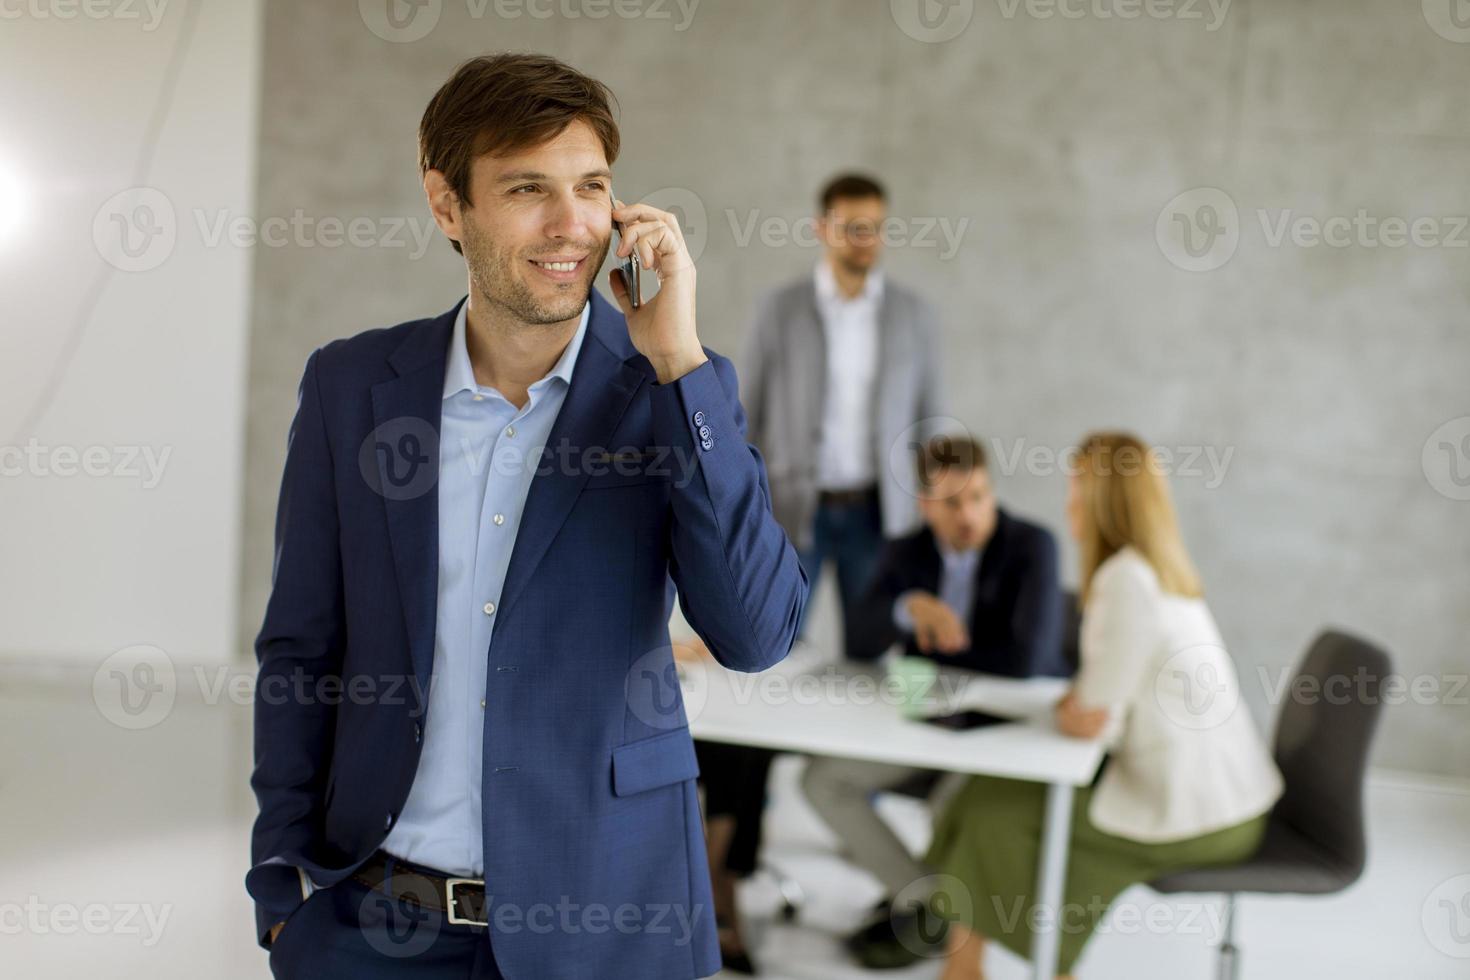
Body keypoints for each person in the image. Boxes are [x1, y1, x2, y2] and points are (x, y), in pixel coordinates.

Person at [245, 53, 807, 980]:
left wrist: (677, 362)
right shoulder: (352, 389)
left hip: (613, 924)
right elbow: (302, 650)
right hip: (373, 922)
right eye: (527, 189)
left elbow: (755, 634)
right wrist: (281, 889)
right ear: (446, 205)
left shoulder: (669, 391)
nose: (572, 224)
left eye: (592, 187)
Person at [924, 432, 1284, 980]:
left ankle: (986, 969)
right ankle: (973, 968)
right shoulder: (1154, 568)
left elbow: (1093, 720)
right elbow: (1095, 696)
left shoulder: (1125, 582)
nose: (1068, 504)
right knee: (985, 797)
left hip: (1194, 814)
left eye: (1076, 490)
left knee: (991, 814)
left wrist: (1081, 709)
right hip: (1227, 795)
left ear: (1101, 501)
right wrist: (1082, 705)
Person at [801, 433, 1068, 966]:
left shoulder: (1031, 546)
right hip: (922, 726)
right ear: (924, 505)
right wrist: (909, 609)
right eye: (952, 503)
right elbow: (864, 638)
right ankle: (928, 901)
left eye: (978, 498)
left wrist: (944, 648)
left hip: (1005, 734)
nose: (969, 515)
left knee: (960, 805)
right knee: (822, 780)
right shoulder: (906, 552)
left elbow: (1028, 658)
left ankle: (942, 922)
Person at [740, 173, 943, 658]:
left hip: (877, 513)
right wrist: (748, 504)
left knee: (873, 649)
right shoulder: (779, 310)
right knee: (775, 641)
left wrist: (935, 501)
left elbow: (931, 418)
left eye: (875, 227)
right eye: (853, 227)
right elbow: (747, 413)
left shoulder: (913, 315)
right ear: (822, 229)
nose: (866, 240)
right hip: (792, 507)